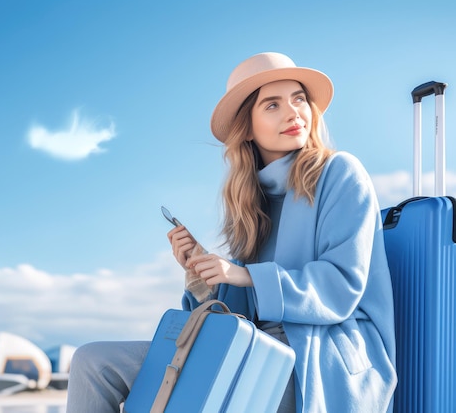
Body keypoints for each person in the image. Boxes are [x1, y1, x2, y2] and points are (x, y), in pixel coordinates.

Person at [66, 52, 397, 413]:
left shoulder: (339, 173)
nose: (293, 113)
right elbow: (240, 312)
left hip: (321, 357)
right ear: (248, 127)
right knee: (92, 363)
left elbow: (340, 286)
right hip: (255, 348)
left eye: (299, 99)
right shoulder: (250, 201)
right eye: (272, 105)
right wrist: (201, 277)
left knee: (208, 392)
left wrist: (243, 274)